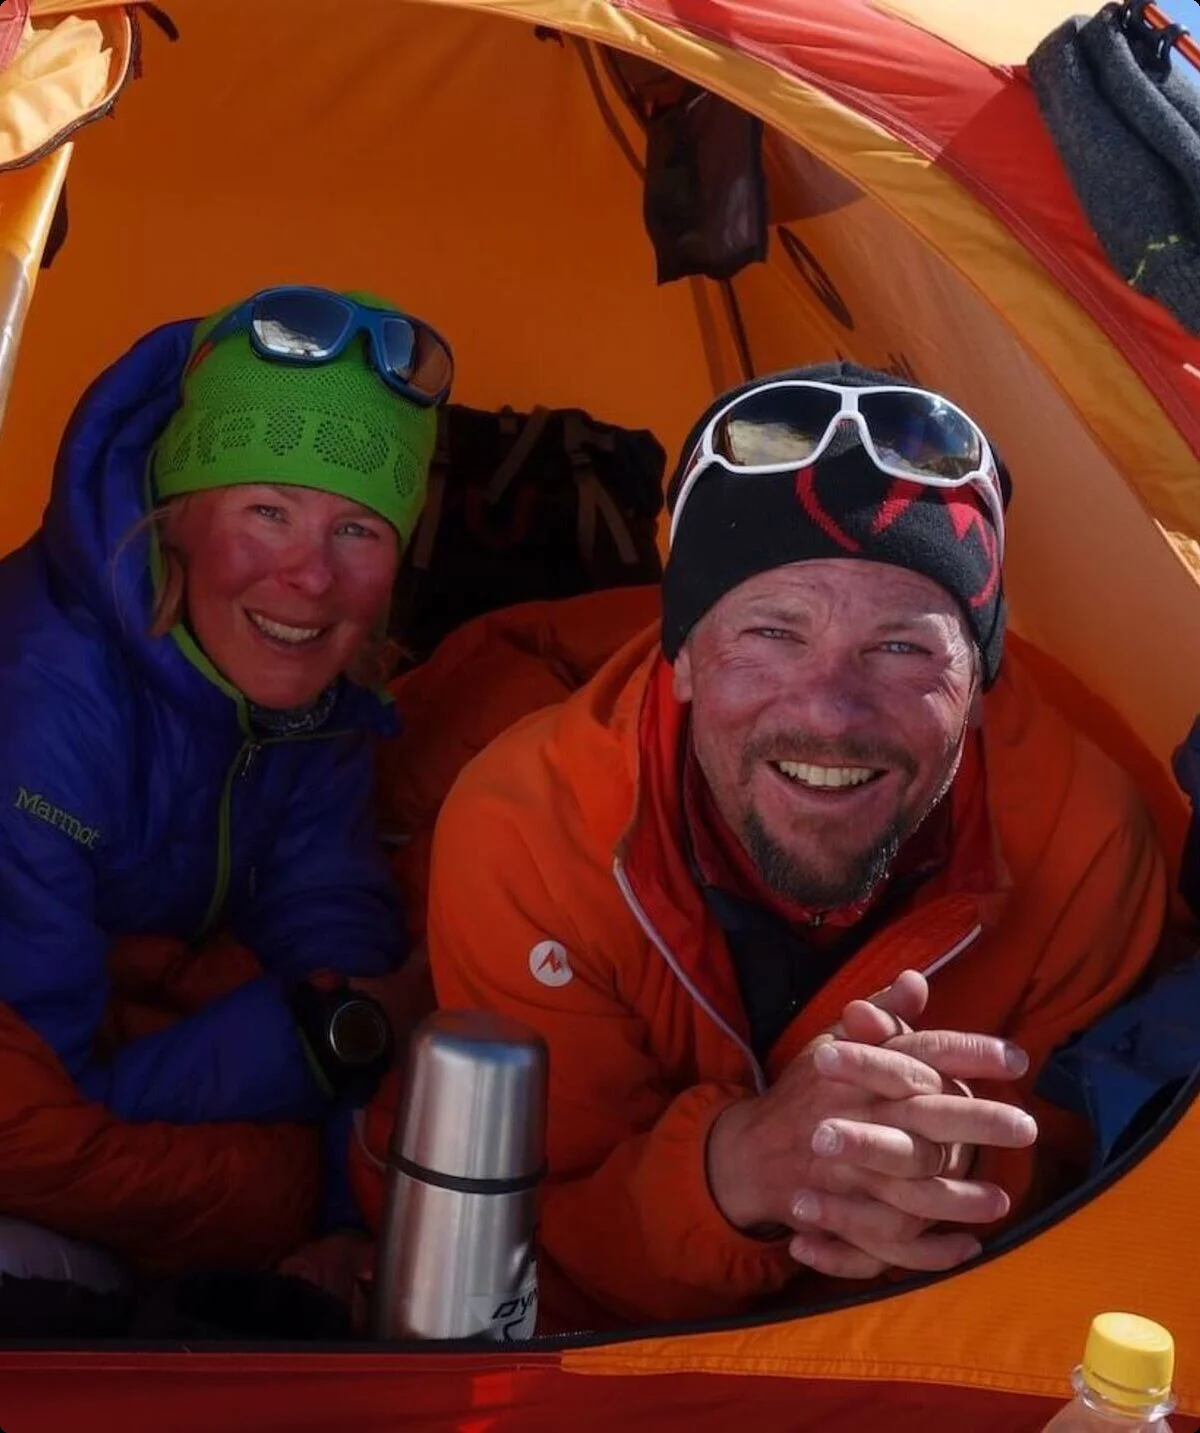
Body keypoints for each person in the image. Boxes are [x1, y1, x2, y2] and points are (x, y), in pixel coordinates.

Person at [424, 362, 1168, 1330]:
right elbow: (524, 1245)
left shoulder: (1086, 837)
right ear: (683, 655)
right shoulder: (531, 823)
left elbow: (1080, 1207)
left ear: (981, 676)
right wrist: (737, 1166)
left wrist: (939, 1173)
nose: (828, 709)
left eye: (902, 647)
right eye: (772, 631)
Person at [0, 284, 451, 1285]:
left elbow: (335, 928)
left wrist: (348, 1218)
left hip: (142, 1055)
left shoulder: (314, 702)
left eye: (359, 530)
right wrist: (318, 1038)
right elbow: (52, 1097)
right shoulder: (45, 705)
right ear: (179, 521)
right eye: (268, 509)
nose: (310, 577)